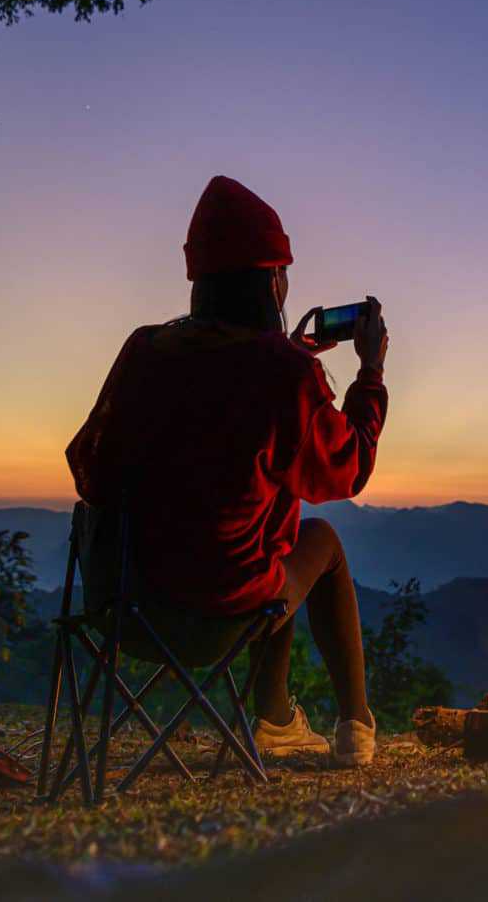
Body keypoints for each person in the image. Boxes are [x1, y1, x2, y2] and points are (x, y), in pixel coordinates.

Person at [65, 175, 389, 767]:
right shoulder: (282, 376)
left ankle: (274, 720)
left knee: (278, 531)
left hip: (122, 606)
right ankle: (356, 729)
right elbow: (344, 471)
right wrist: (369, 375)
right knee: (320, 542)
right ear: (271, 279)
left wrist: (292, 363)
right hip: (220, 615)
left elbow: (89, 467)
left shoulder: (145, 349)